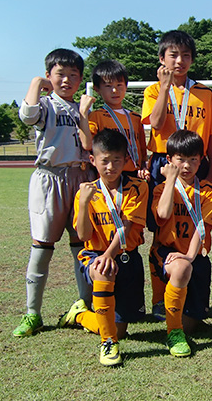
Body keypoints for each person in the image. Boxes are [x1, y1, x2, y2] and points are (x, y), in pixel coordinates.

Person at [14, 48, 95, 337]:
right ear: (50, 76)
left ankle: (86, 305)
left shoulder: (83, 108)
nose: (67, 80)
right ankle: (32, 313)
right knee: (42, 246)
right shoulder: (47, 105)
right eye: (60, 74)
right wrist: (37, 83)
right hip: (50, 178)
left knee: (82, 245)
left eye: (74, 75)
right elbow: (27, 116)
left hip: (80, 177)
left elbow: (88, 145)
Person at [141, 30, 212, 320]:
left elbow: (209, 135)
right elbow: (157, 122)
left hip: (196, 161)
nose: (180, 60)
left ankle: (191, 289)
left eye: (186, 55)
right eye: (173, 55)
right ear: (162, 58)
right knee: (161, 226)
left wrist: (209, 170)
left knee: (195, 219)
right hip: (166, 159)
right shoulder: (152, 90)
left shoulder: (205, 93)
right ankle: (160, 298)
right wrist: (163, 88)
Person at [59, 129, 148, 366]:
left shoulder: (138, 186)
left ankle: (80, 316)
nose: (110, 167)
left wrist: (112, 253)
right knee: (103, 270)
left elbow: (127, 226)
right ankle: (108, 343)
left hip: (126, 255)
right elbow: (83, 235)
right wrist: (85, 201)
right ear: (93, 160)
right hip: (95, 254)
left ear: (126, 160)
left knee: (120, 327)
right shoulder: (86, 192)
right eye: (104, 161)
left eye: (116, 160)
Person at [150, 130, 212, 357]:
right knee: (180, 268)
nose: (187, 165)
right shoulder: (161, 189)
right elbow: (162, 215)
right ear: (169, 160)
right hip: (168, 252)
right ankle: (173, 329)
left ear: (201, 161)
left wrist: (190, 256)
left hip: (195, 255)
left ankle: (173, 311)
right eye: (180, 159)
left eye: (193, 160)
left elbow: (203, 228)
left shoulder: (208, 191)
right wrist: (170, 180)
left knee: (193, 324)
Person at [88, 60, 149, 179]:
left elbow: (142, 148)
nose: (115, 90)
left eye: (119, 85)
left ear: (126, 86)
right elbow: (89, 146)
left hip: (134, 173)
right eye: (108, 86)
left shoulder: (135, 117)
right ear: (97, 89)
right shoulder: (96, 116)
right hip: (109, 173)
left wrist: (143, 166)